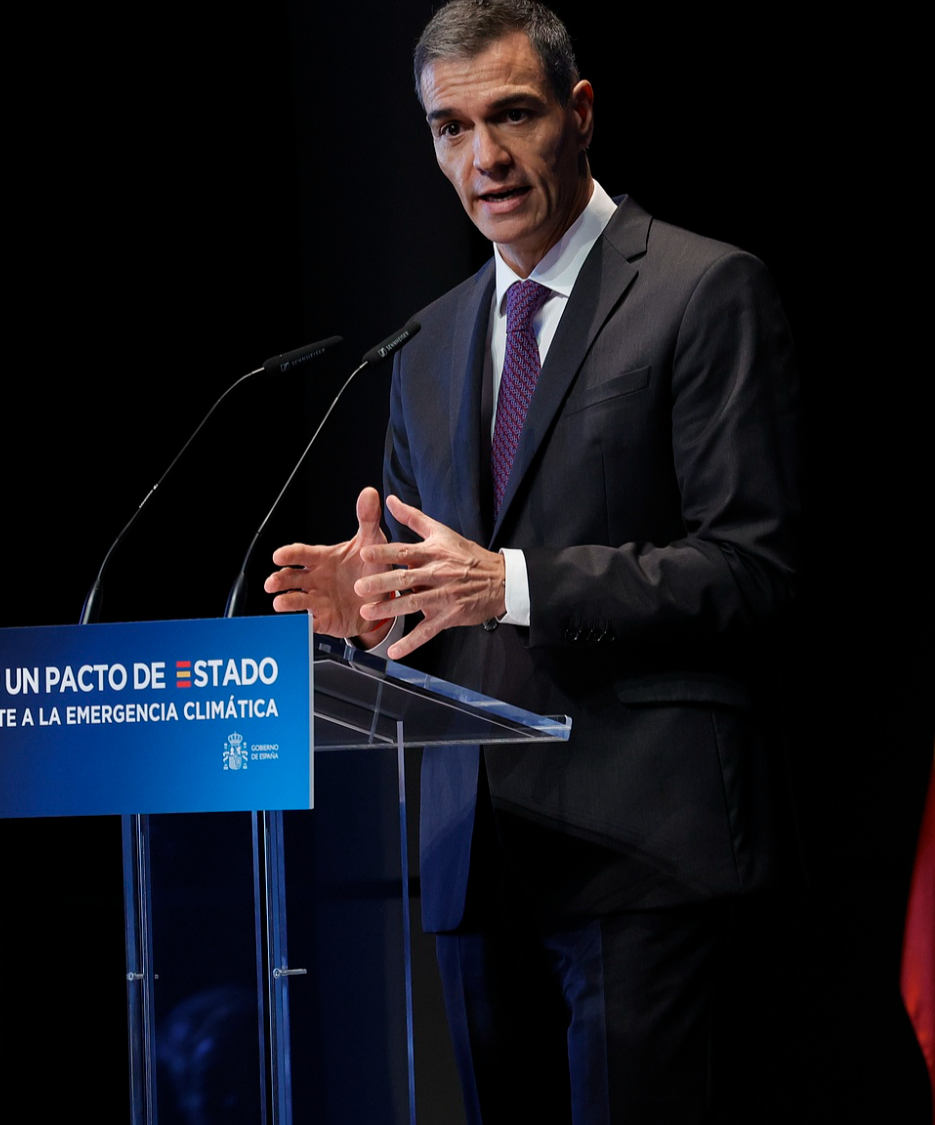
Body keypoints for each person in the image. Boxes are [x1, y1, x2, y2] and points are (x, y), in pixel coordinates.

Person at [263, 2, 799, 1120]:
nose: (486, 158)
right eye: (451, 128)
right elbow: (437, 588)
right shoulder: (424, 343)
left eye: (513, 114)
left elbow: (747, 570)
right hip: (476, 856)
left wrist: (506, 583)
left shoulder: (702, 289)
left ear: (579, 111)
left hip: (643, 844)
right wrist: (382, 608)